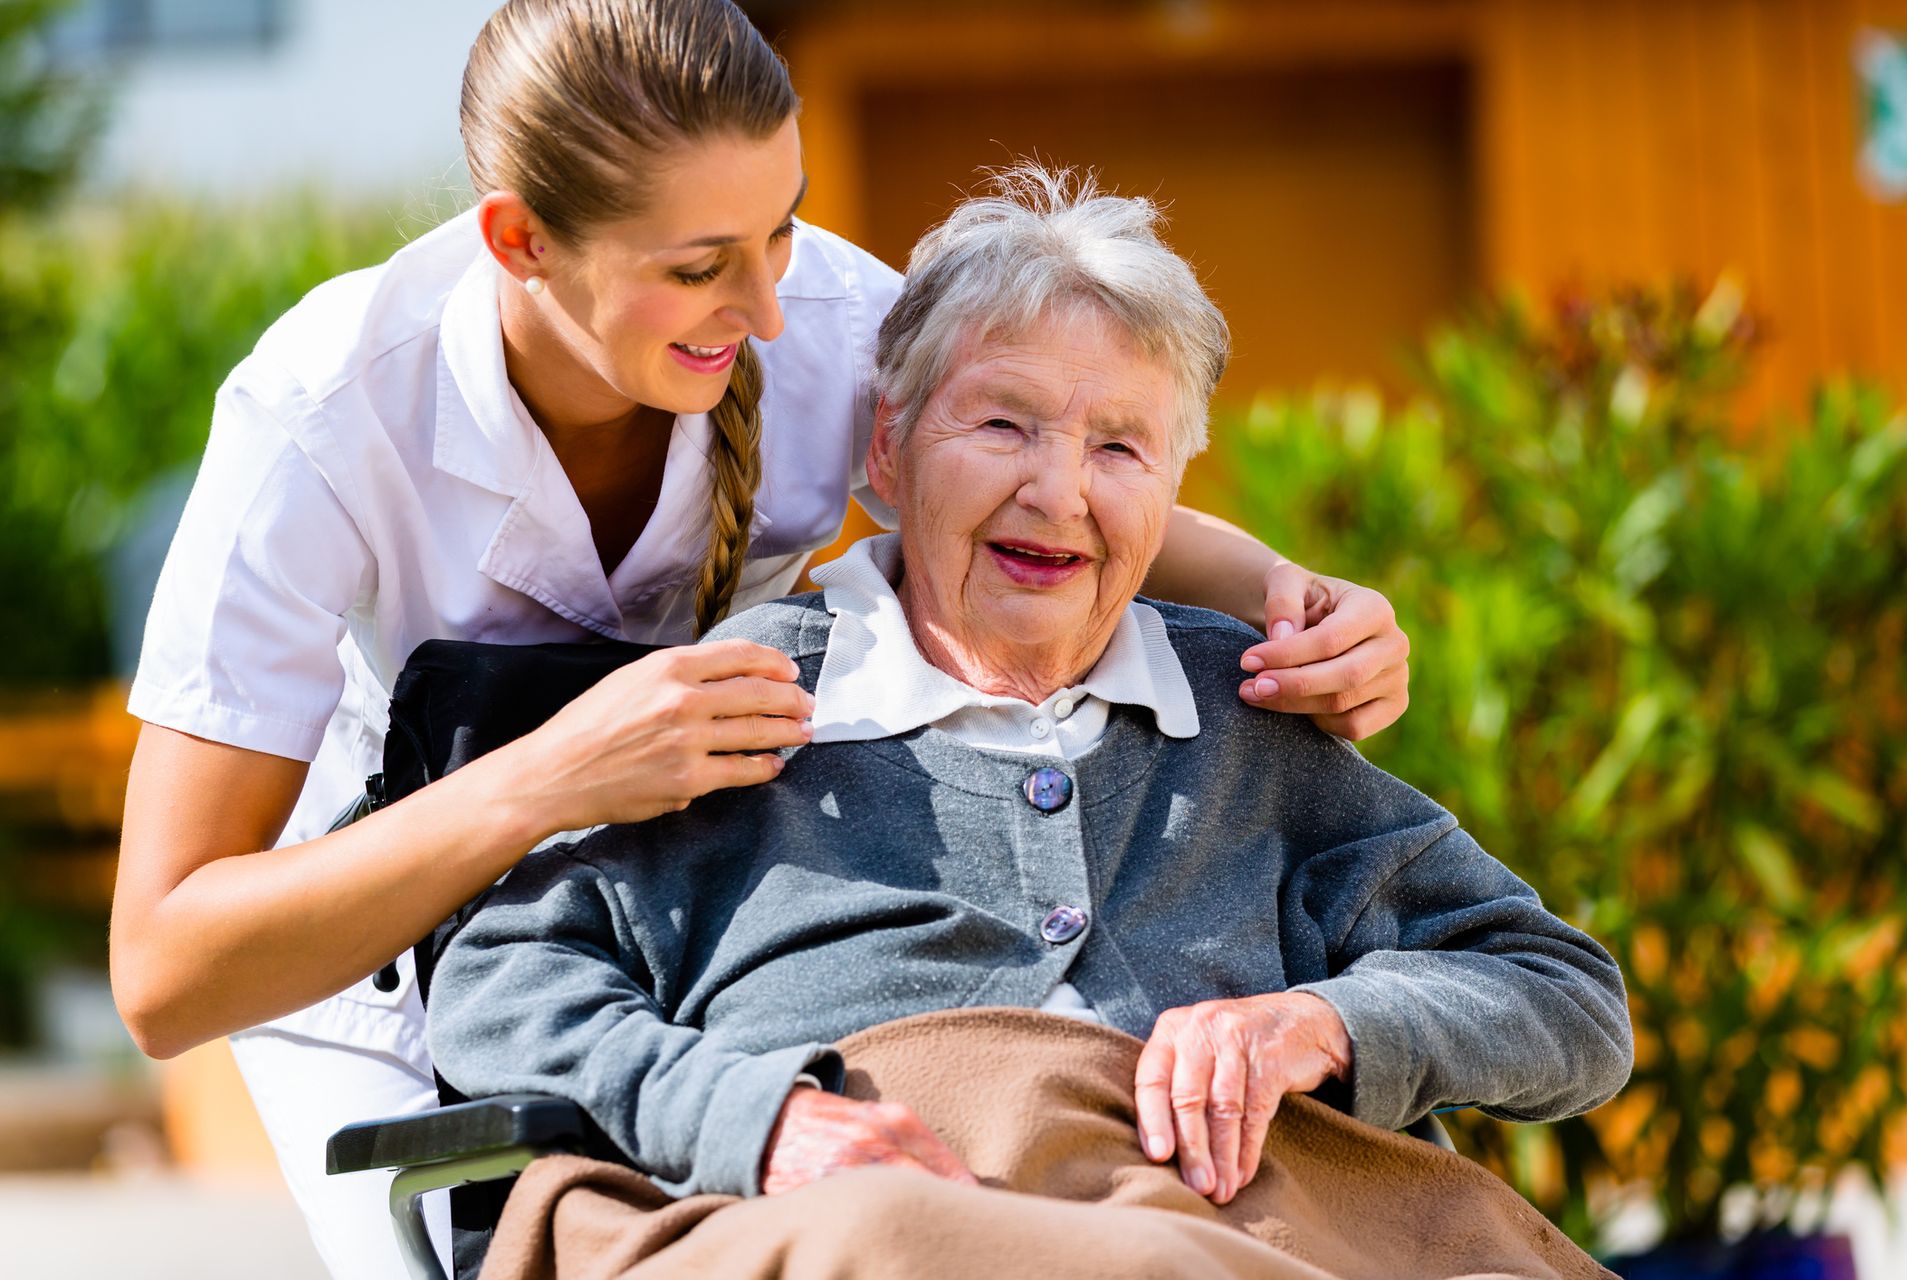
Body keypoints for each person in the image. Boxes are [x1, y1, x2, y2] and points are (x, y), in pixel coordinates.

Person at [109, 3, 1409, 1276]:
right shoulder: (325, 416)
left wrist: (1293, 595)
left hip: (699, 928)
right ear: (520, 242)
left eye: (779, 231)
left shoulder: (833, 317)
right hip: (391, 945)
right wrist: (553, 776)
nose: (769, 312)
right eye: (697, 268)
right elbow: (165, 972)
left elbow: (1046, 482)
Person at [426, 167, 1632, 1277]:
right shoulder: (739, 701)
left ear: (1170, 491)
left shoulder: (1245, 715)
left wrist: (1325, 1019)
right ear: (890, 449)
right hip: (887, 1230)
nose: (1058, 492)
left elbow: (1567, 995)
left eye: (1121, 445)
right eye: (1003, 425)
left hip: (1255, 1229)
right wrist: (754, 1118)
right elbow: (500, 981)